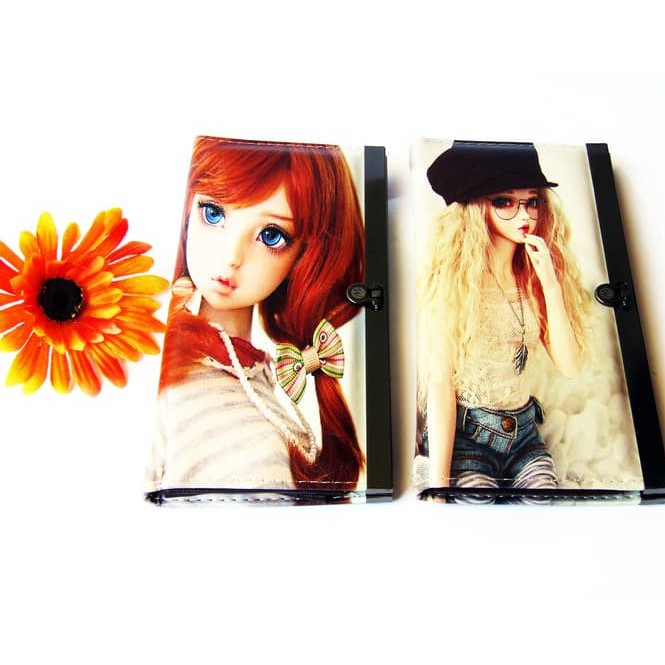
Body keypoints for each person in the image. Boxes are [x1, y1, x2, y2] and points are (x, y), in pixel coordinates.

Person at [147, 137, 365, 498]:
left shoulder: (258, 379)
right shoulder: (165, 374)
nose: (231, 256)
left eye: (271, 235)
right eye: (213, 213)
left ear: (306, 257)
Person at [417, 141, 588, 502]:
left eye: (532, 201)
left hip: (525, 435)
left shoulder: (532, 277)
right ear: (477, 208)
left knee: (544, 504)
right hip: (467, 437)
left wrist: (551, 286)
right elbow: (441, 383)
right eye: (505, 202)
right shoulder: (455, 285)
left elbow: (571, 366)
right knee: (479, 512)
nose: (524, 215)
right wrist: (438, 487)